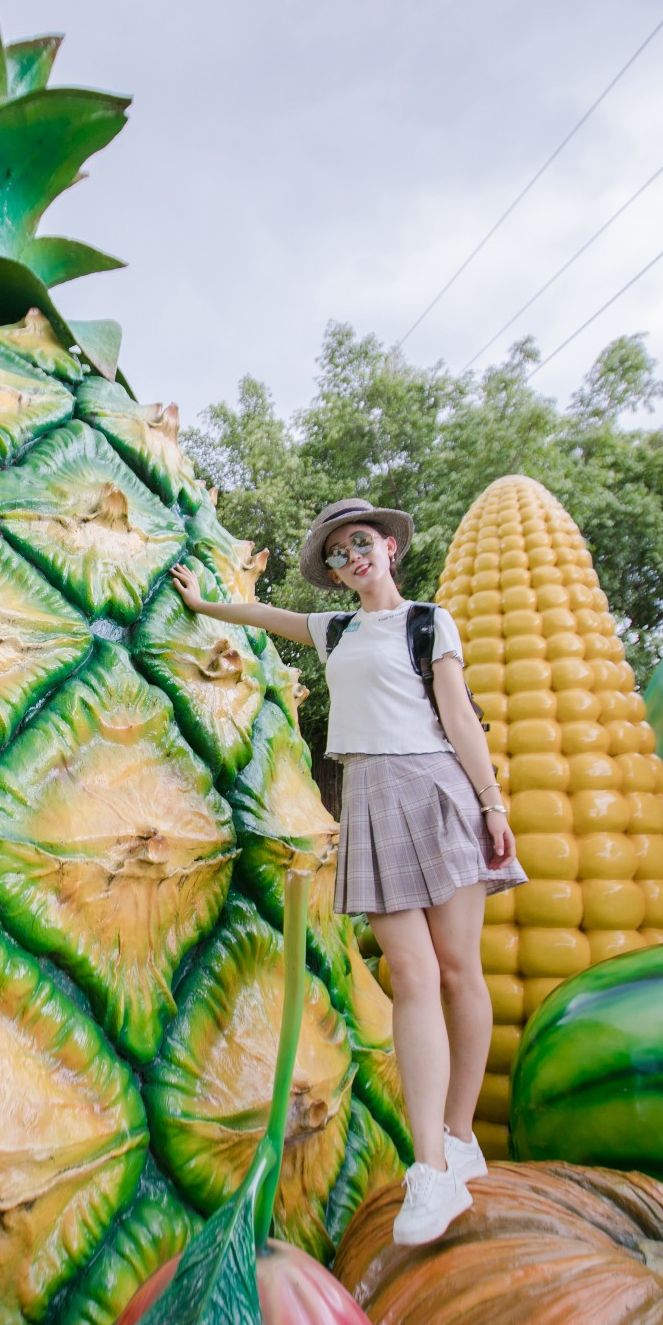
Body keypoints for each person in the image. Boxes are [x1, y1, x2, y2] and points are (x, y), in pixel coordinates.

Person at [169, 496, 522, 1246]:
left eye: (360, 543)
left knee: (459, 971)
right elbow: (262, 619)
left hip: (438, 786)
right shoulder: (335, 629)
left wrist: (491, 803)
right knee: (412, 975)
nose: (350, 558)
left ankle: (459, 1136)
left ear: (389, 545)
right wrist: (202, 602)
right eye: (336, 555)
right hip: (368, 794)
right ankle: (429, 1170)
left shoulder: (429, 620)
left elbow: (458, 716)